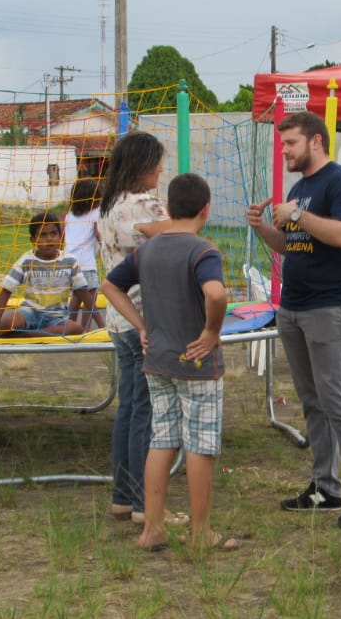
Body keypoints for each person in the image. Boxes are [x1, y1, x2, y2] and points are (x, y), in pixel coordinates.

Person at [245, 110, 341, 529]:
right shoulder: (300, 188)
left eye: (290, 143)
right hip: (294, 306)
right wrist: (261, 227)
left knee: (338, 400)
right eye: (282, 143)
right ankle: (325, 488)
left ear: (315, 142)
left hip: (330, 307)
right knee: (313, 402)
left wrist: (298, 216)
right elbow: (292, 246)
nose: (284, 151)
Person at [100, 173, 238, 553]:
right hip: (196, 363)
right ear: (205, 210)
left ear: (170, 208)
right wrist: (211, 332)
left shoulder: (149, 249)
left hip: (156, 359)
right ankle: (200, 532)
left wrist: (141, 325)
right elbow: (215, 293)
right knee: (200, 445)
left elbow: (109, 286)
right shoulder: (203, 251)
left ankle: (153, 528)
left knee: (161, 441)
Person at [96, 131, 180, 526]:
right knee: (148, 414)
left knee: (129, 410)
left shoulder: (109, 206)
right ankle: (149, 505)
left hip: (119, 318)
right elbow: (177, 238)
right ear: (145, 166)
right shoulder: (146, 204)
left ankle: (123, 497)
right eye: (158, 163)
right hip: (147, 317)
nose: (161, 170)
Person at [0, 211, 87, 337]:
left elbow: (82, 291)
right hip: (30, 313)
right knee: (8, 322)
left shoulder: (70, 260)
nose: (49, 239)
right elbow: (6, 289)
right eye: (43, 235)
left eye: (53, 234)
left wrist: (96, 322)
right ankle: (33, 333)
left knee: (76, 328)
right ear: (33, 240)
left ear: (61, 236)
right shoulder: (27, 260)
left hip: (56, 317)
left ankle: (25, 335)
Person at [64, 178, 103, 331]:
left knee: (77, 294)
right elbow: (98, 233)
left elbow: (64, 236)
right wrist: (104, 246)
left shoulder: (69, 215)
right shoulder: (95, 213)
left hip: (69, 262)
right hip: (86, 263)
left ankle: (70, 323)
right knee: (90, 294)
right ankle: (85, 327)